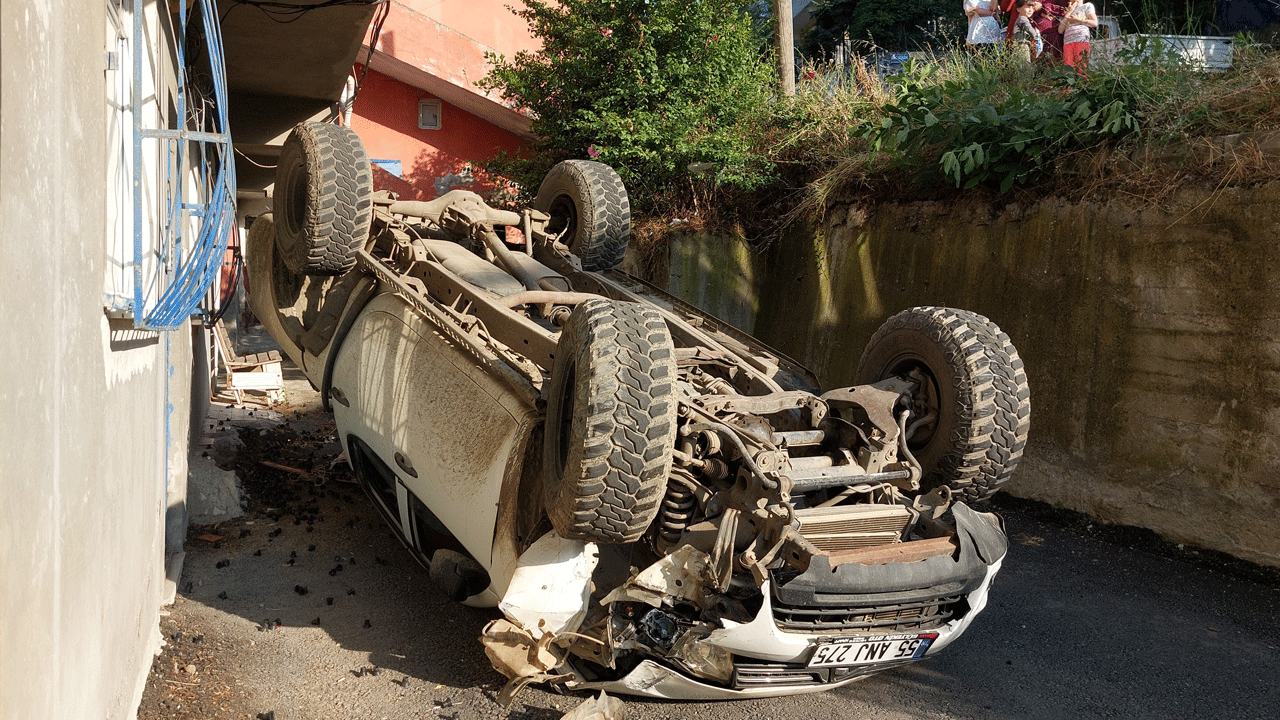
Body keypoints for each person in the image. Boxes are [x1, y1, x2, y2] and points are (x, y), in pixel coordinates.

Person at [1059, 0, 1098, 74]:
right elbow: (1060, 30)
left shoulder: (1087, 6)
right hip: (1068, 42)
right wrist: (1069, 12)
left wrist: (1078, 20)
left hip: (1081, 39)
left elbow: (1095, 23)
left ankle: (1083, 83)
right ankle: (1070, 85)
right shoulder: (1068, 10)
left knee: (1081, 66)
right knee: (1068, 68)